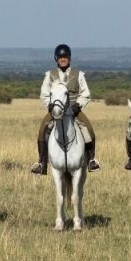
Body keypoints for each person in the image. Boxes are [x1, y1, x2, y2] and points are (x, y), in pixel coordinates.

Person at [32, 44, 100, 174]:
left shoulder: (78, 74)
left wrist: (78, 105)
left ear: (69, 58)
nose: (63, 59)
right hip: (55, 109)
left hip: (74, 108)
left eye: (65, 57)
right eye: (60, 57)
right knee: (42, 130)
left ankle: (91, 160)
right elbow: (44, 94)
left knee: (88, 128)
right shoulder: (50, 75)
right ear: (56, 59)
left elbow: (85, 93)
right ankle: (41, 162)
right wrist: (49, 105)